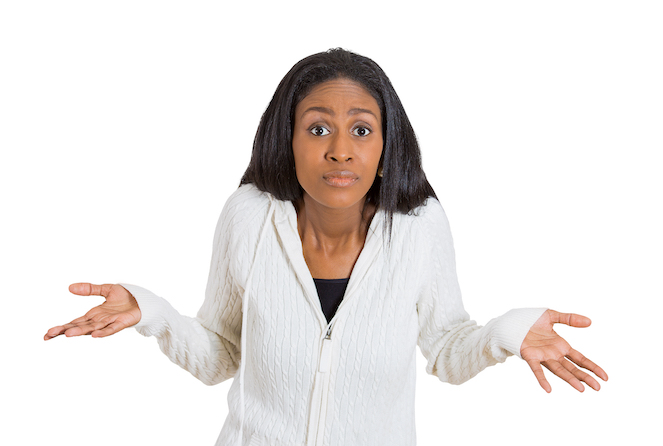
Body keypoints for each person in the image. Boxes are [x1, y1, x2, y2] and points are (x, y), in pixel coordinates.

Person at [44, 48, 608, 446]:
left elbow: (447, 350)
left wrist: (506, 333)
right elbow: (219, 355)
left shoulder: (418, 226)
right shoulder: (248, 216)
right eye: (317, 129)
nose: (340, 150)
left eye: (361, 130)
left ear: (387, 148)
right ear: (286, 141)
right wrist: (153, 313)